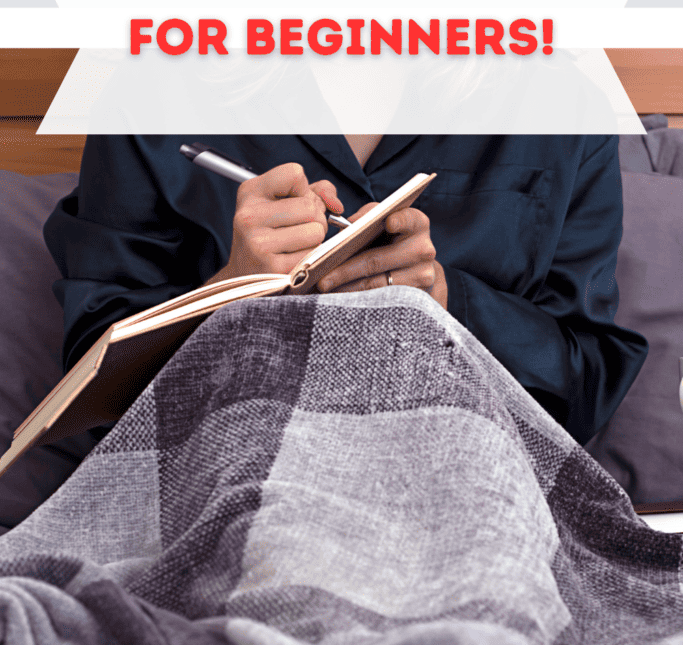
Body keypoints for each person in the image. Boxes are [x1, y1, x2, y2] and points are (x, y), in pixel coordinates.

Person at [44, 132, 647, 458]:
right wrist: (230, 291)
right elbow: (91, 400)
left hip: (473, 477)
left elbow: (585, 389)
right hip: (244, 480)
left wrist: (448, 300)